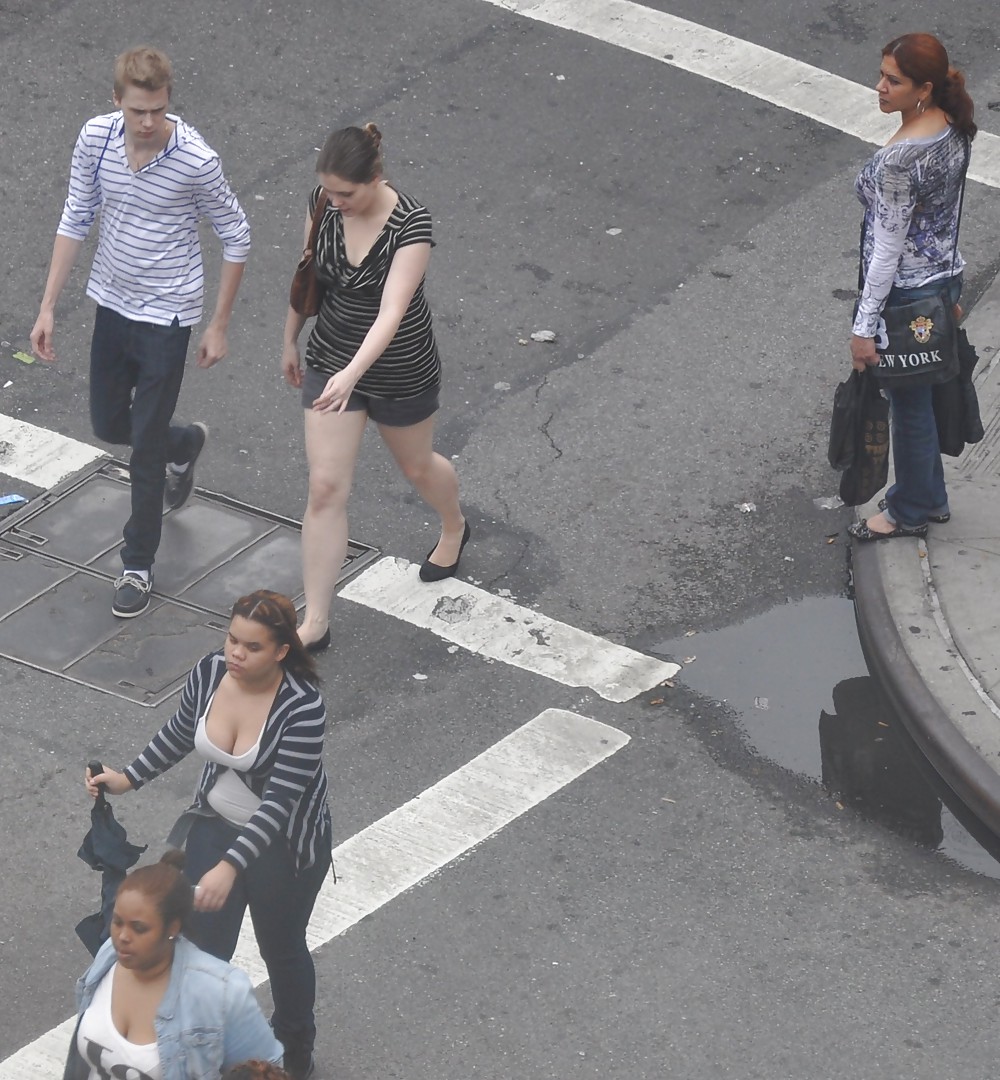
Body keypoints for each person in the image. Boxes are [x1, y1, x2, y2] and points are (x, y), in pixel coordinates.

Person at [30, 45, 251, 617]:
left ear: (168, 100)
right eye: (137, 111)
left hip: (169, 316)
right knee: (109, 422)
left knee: (143, 450)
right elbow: (76, 216)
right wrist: (48, 306)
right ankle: (186, 443)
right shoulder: (95, 139)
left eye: (157, 109)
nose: (148, 122)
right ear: (117, 103)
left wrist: (218, 324)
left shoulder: (195, 160)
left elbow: (237, 234)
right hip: (111, 303)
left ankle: (137, 564)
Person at [86, 591, 332, 1080]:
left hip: (283, 849)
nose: (236, 654)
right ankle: (194, 1050)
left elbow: (280, 803)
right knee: (200, 949)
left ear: (282, 651)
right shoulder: (209, 672)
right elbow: (181, 731)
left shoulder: (304, 709)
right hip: (213, 829)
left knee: (281, 948)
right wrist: (129, 776)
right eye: (232, 640)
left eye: (253, 647)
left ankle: (295, 1050)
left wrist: (231, 865)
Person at [281, 123, 469, 652]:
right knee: (325, 487)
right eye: (329, 191)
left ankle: (453, 524)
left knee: (417, 466)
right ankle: (315, 619)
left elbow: (393, 312)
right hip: (331, 357)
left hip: (398, 368)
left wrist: (353, 375)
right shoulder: (323, 202)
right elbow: (307, 276)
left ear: (376, 178)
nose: (335, 201)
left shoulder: (411, 224)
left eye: (347, 193)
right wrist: (289, 341)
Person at [847, 33, 977, 542]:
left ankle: (909, 510)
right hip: (941, 281)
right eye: (881, 74)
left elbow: (887, 249)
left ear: (923, 88)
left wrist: (864, 326)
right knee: (927, 391)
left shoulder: (900, 161)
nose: (879, 87)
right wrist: (949, 291)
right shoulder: (952, 128)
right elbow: (946, 214)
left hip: (904, 296)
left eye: (892, 81)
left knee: (909, 407)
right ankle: (933, 496)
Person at [64, 851, 283, 1080]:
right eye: (117, 922)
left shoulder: (221, 993)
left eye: (139, 928)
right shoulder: (110, 955)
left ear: (172, 928)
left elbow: (268, 1071)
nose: (123, 937)